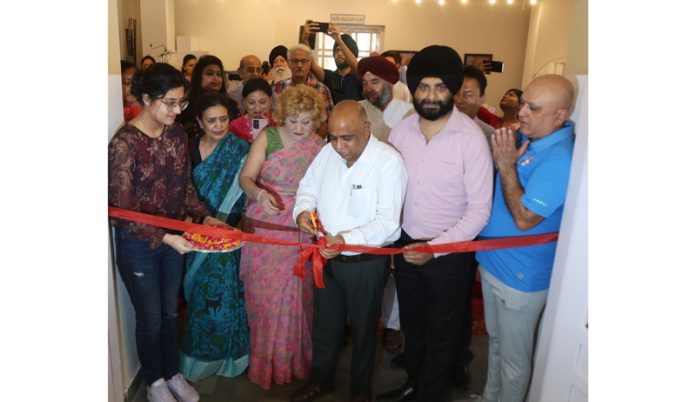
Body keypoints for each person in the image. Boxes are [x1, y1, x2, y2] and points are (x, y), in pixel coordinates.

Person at [377, 45, 493, 402]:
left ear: (452, 90)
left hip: (449, 254)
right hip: (407, 246)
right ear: (413, 89)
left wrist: (435, 249)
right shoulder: (401, 131)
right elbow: (390, 189)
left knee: (443, 332)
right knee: (413, 322)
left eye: (439, 87)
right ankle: (415, 382)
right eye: (423, 87)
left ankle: (430, 394)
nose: (430, 96)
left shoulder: (471, 139)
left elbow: (479, 211)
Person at [109, 62, 225, 402]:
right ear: (147, 98)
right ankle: (154, 380)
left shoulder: (176, 135)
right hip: (139, 244)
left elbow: (185, 187)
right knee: (150, 318)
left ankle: (172, 372)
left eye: (181, 103)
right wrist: (165, 237)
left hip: (174, 237)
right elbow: (123, 211)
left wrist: (204, 218)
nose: (177, 111)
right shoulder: (124, 144)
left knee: (172, 312)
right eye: (170, 103)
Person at [464, 75, 575, 402]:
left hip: (520, 278)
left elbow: (526, 219)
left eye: (533, 107)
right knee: (495, 344)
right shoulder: (529, 139)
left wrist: (507, 167)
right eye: (523, 102)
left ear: (560, 116)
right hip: (494, 263)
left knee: (513, 359)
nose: (522, 111)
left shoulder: (560, 159)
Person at [289, 100, 408, 402]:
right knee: (325, 326)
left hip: (366, 265)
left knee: (364, 332)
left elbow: (389, 223)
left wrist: (346, 239)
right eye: (333, 137)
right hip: (326, 260)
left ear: (366, 129)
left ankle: (360, 393)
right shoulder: (328, 152)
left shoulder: (388, 162)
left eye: (347, 138)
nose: (338, 146)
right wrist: (303, 212)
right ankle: (322, 381)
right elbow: (308, 189)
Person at [238, 84, 327, 390]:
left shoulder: (321, 145)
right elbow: (246, 178)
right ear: (282, 118)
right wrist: (258, 193)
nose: (300, 128)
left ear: (316, 119)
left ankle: (293, 363)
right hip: (265, 229)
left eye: (307, 121)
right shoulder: (268, 137)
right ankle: (266, 365)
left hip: (301, 230)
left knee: (297, 302)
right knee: (265, 300)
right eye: (293, 121)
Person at [178, 92, 251, 382]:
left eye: (223, 119)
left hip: (228, 237)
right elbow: (181, 189)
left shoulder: (241, 150)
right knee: (199, 299)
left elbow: (246, 196)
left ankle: (230, 359)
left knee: (228, 297)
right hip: (193, 234)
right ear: (198, 121)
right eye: (211, 120)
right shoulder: (188, 148)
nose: (219, 125)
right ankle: (198, 361)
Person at [178, 55, 240, 139]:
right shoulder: (186, 108)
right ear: (199, 77)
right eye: (209, 74)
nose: (216, 78)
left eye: (219, 74)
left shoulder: (231, 106)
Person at [357, 55, 414, 143]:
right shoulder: (357, 110)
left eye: (375, 82)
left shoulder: (409, 112)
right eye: (365, 83)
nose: (368, 88)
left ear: (389, 83)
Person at [302, 21, 362, 103]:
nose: (339, 54)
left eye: (343, 50)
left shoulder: (359, 77)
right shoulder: (330, 76)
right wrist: (305, 40)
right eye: (337, 50)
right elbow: (312, 66)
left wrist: (339, 40)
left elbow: (358, 69)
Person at [272, 44, 334, 117]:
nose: (299, 65)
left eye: (304, 61)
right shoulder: (279, 87)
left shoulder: (321, 89)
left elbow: (328, 121)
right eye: (295, 61)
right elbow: (274, 118)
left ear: (310, 64)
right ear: (288, 63)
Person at [454, 65, 496, 142]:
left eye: (468, 94)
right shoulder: (436, 127)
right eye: (456, 93)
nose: (459, 100)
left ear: (482, 99)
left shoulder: (488, 135)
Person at [228, 77, 276, 142]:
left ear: (270, 100)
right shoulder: (235, 126)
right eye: (251, 103)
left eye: (262, 102)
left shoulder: (277, 122)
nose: (257, 108)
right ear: (244, 103)